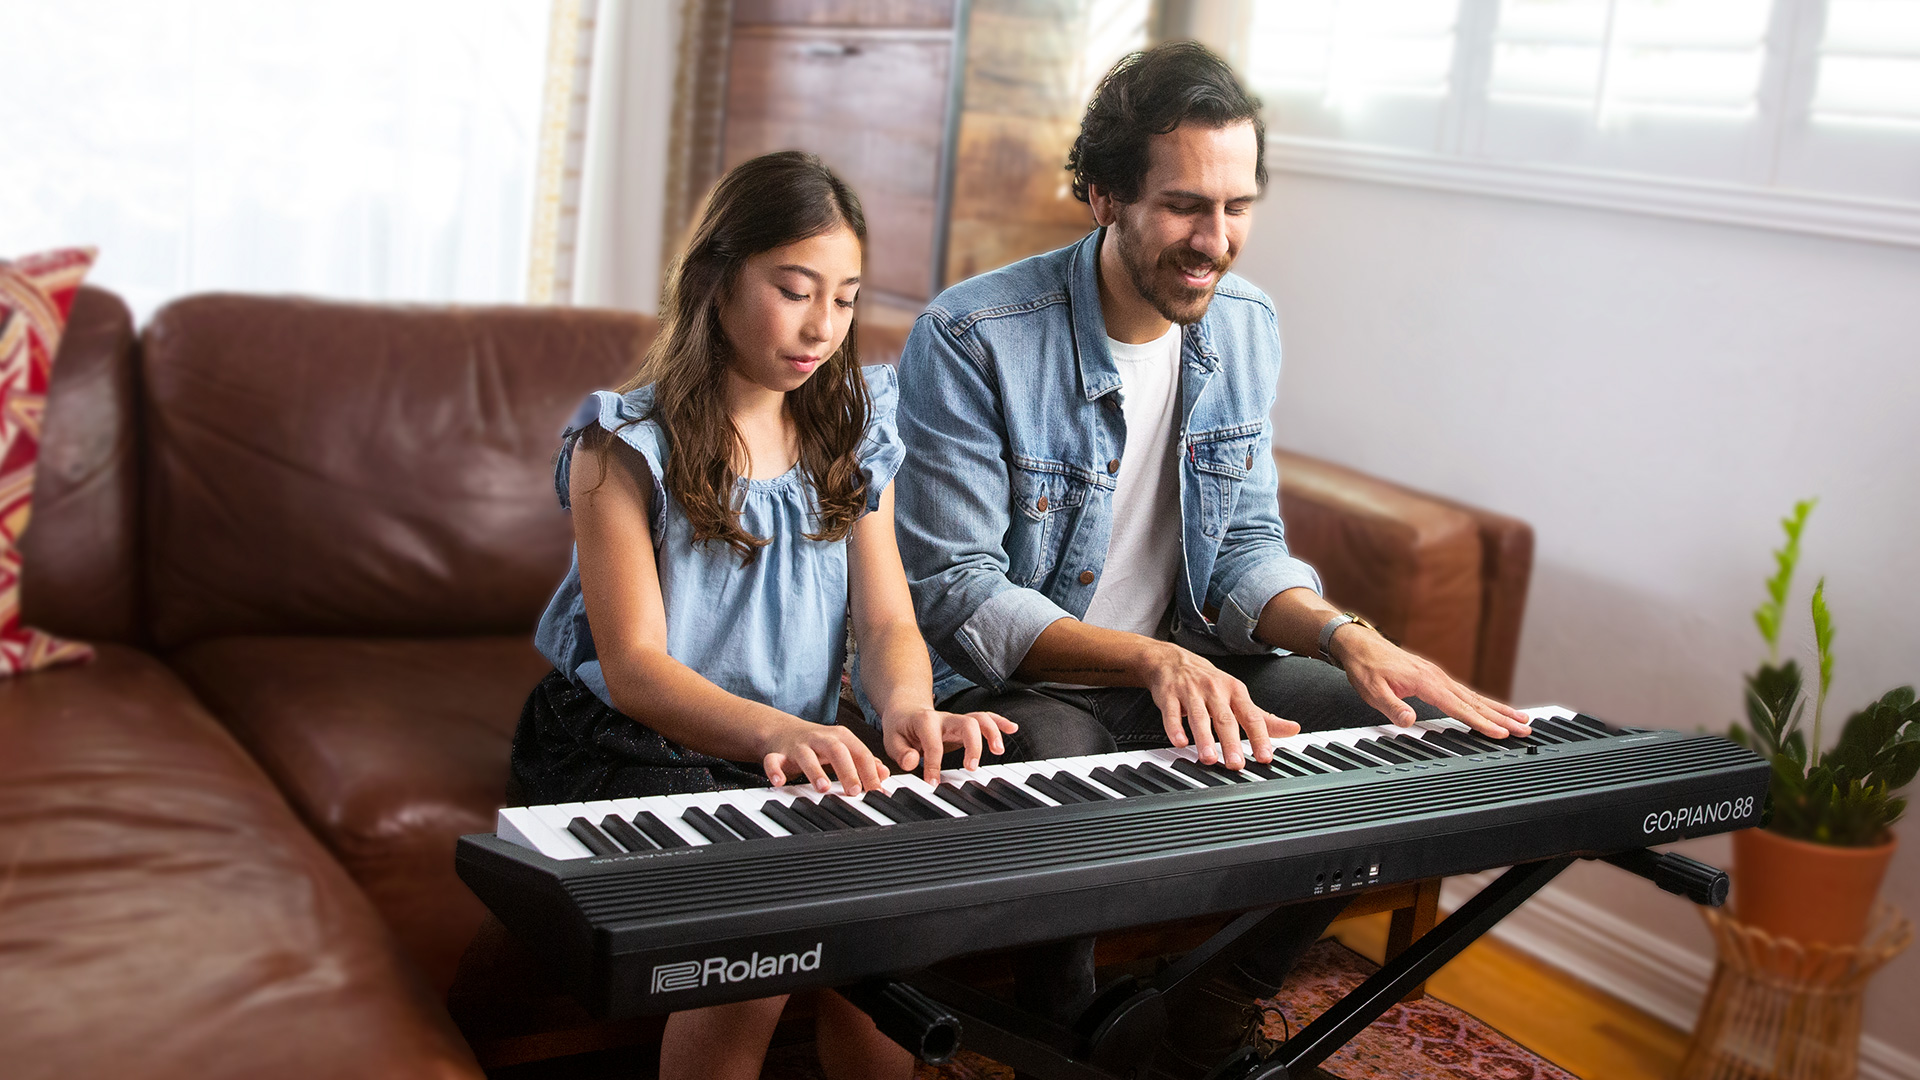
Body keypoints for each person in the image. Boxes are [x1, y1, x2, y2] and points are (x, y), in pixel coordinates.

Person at [890, 42, 1536, 1077]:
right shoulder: (974, 335)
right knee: (1062, 761)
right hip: (1022, 682)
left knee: (1388, 726)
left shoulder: (1246, 325)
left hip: (1187, 665)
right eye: (1187, 206)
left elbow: (1241, 545)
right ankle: (1064, 1029)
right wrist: (1151, 661)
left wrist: (1350, 637)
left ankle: (1213, 1001)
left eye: (1238, 206)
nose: (1216, 240)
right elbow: (957, 591)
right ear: (1103, 195)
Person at [509, 151, 1014, 1080]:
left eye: (847, 297)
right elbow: (635, 669)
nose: (823, 325)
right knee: (761, 937)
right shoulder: (620, 447)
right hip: (634, 738)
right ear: (714, 279)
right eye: (794, 290)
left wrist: (906, 709)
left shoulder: (853, 431)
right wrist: (786, 731)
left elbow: (890, 620)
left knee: (892, 928)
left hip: (788, 741)